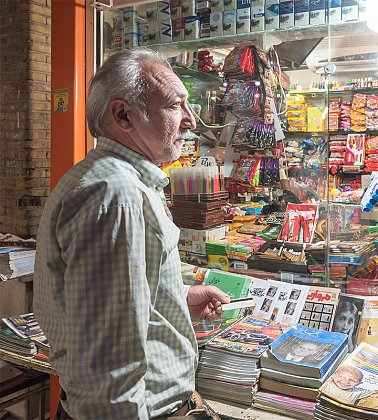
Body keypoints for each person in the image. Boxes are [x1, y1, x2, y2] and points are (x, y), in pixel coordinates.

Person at [33, 48, 231, 420]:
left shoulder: (122, 182)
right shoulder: (115, 191)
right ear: (123, 114)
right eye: (175, 106)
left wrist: (176, 299)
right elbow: (109, 371)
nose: (190, 120)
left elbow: (114, 306)